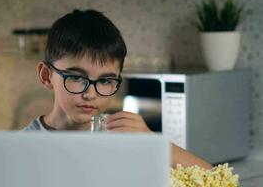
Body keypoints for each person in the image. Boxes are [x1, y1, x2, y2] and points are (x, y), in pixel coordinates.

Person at [23, 9, 212, 169]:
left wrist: (152, 141)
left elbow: (216, 179)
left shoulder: (125, 139)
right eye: (76, 77)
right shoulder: (22, 147)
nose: (91, 94)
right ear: (47, 76)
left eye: (105, 81)